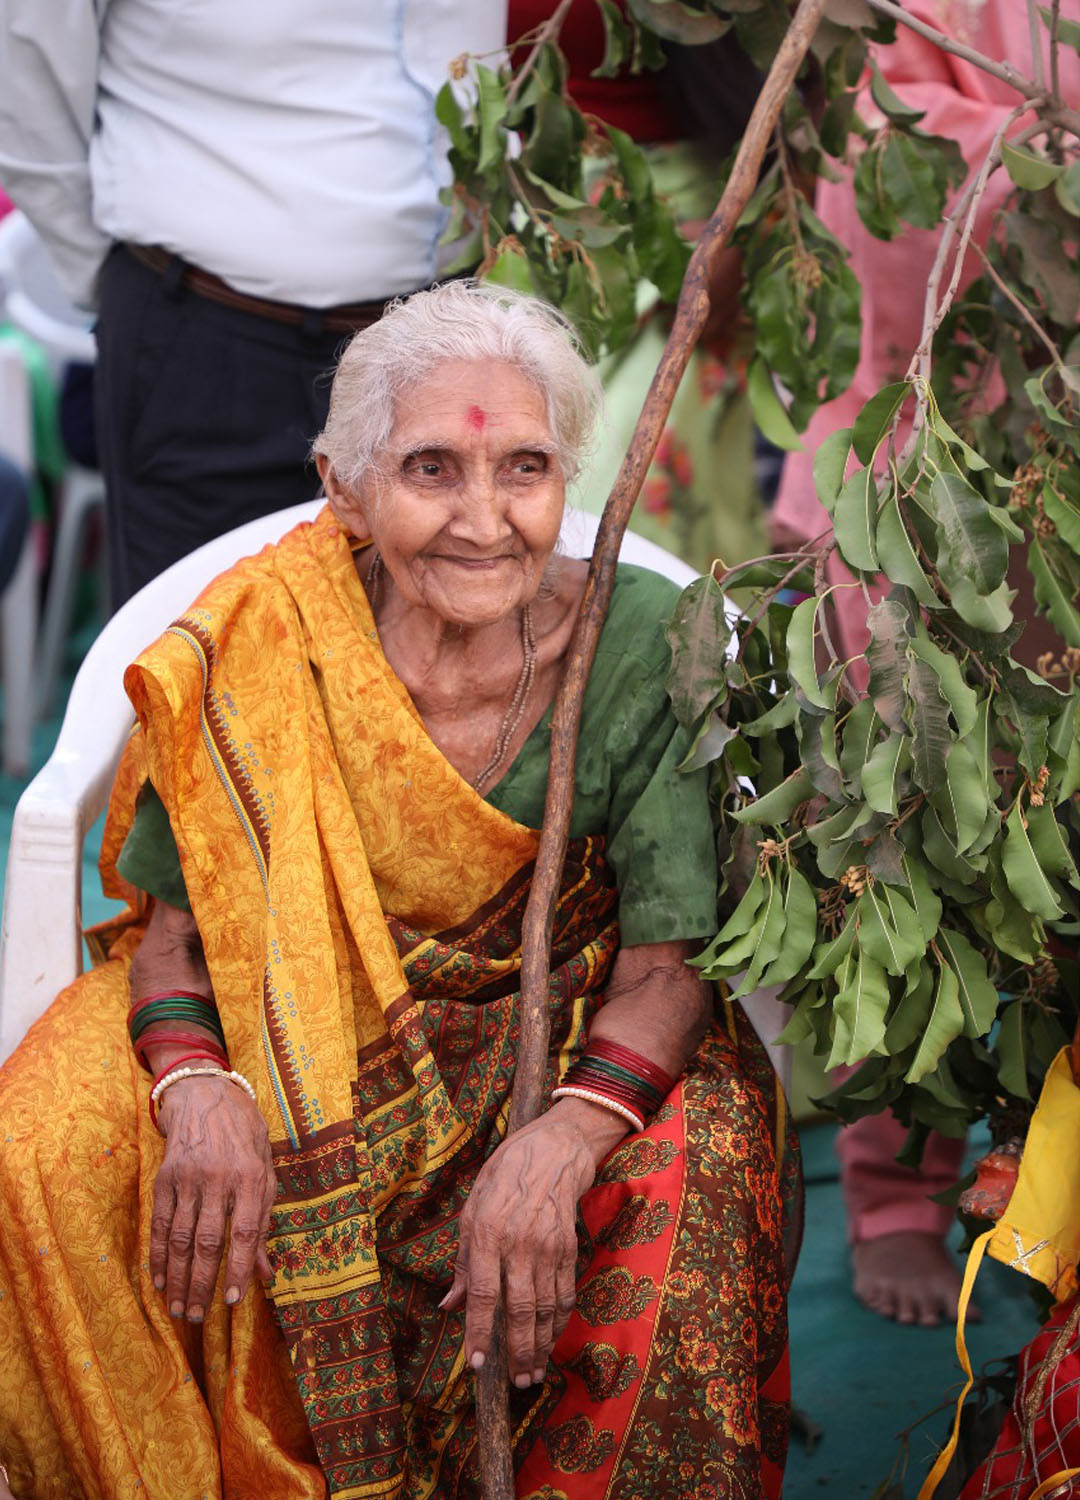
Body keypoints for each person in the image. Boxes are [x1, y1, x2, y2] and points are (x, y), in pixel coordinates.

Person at [0, 283, 799, 1499]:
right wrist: (200, 1085)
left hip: (577, 1029)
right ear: (345, 486)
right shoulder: (263, 631)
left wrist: (565, 1137)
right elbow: (173, 938)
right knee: (47, 1139)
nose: (485, 520)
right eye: (431, 469)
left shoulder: (640, 642)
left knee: (696, 1177)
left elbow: (667, 966)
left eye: (525, 468)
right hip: (284, 1042)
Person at [771, 0, 1080, 1330]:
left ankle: (1049, 1159)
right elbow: (877, 191)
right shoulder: (940, 7)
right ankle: (897, 1186)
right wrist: (1041, 142)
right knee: (902, 829)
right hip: (931, 470)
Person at [0, 1, 507, 607]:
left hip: (444, 336)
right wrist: (121, 282)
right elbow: (24, 71)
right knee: (201, 665)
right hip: (211, 344)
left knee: (439, 663)